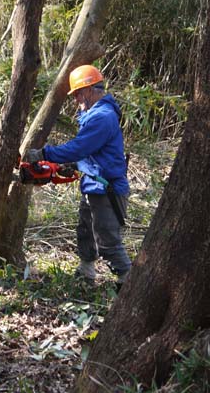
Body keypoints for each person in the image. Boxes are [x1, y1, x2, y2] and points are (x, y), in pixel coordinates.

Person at [26, 64, 131, 285]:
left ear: (90, 90)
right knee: (85, 232)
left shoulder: (101, 117)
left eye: (77, 95)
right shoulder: (95, 114)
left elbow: (80, 147)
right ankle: (86, 273)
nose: (76, 100)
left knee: (108, 241)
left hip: (106, 189)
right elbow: (91, 154)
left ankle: (128, 282)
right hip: (94, 185)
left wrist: (45, 154)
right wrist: (73, 165)